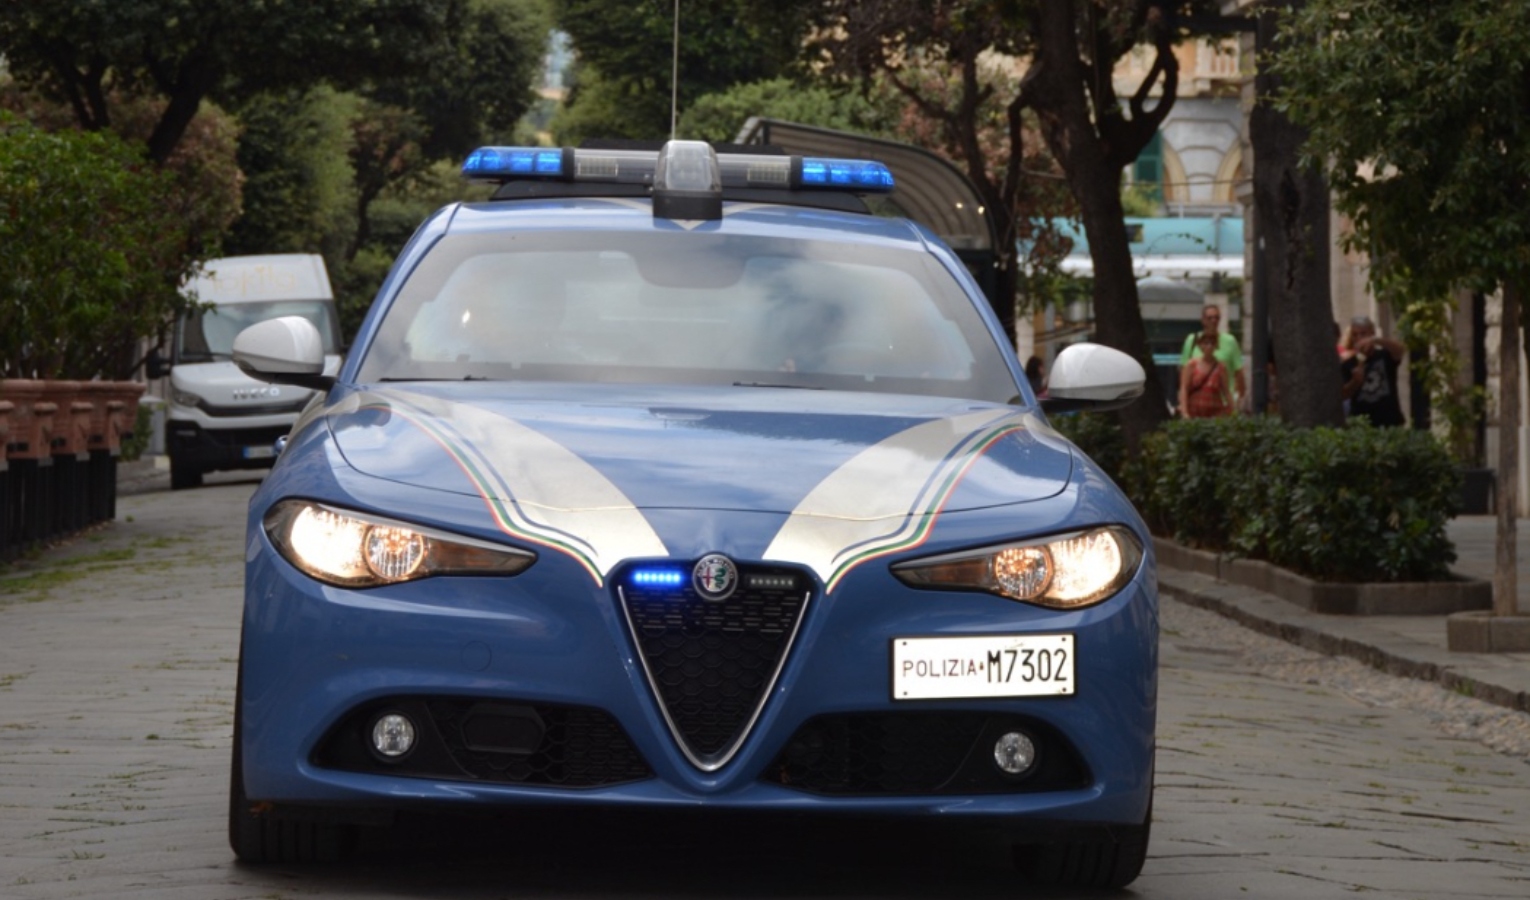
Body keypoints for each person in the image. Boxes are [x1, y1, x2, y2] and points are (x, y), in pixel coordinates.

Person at [1340, 315, 1406, 426]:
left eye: (1363, 333)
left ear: (1371, 333)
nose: (1359, 338)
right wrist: (1355, 382)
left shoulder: (1384, 356)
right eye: (1355, 335)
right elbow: (1343, 395)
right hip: (1362, 424)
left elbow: (1399, 350)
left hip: (1389, 422)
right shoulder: (1348, 364)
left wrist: (1376, 340)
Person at [1179, 304, 1245, 410]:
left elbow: (1239, 373)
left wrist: (1237, 398)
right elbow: (1183, 377)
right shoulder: (1191, 341)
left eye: (1216, 317)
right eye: (1210, 318)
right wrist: (1184, 406)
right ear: (1203, 320)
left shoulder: (1230, 341)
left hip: (1223, 404)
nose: (1213, 321)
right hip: (1195, 404)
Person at [1178, 331, 1234, 418]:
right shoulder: (1192, 365)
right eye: (1206, 343)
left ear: (1216, 346)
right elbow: (1184, 388)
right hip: (1194, 412)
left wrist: (1233, 410)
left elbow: (1226, 391)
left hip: (1215, 414)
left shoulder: (1220, 367)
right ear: (1200, 345)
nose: (1209, 346)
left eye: (1212, 343)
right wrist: (1184, 412)